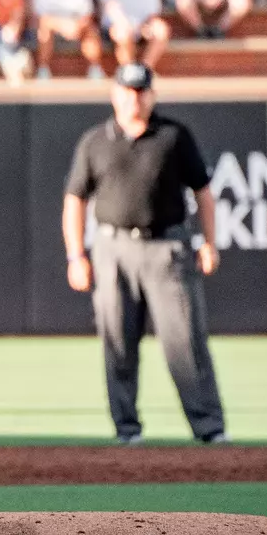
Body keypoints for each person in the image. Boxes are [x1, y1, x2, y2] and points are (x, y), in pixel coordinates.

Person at [62, 63, 228, 446]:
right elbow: (75, 200)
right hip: (112, 249)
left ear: (152, 95)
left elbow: (203, 192)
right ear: (115, 94)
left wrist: (209, 242)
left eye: (141, 91)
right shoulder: (96, 141)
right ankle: (127, 430)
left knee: (184, 342)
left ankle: (210, 429)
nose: (134, 99)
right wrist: (75, 255)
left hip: (167, 248)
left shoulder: (173, 136)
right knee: (117, 342)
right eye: (128, 91)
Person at [32, 0, 104, 81]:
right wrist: (63, 26)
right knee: (44, 32)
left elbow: (88, 16)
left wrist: (76, 27)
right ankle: (43, 68)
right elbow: (41, 18)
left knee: (91, 31)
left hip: (77, 27)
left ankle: (95, 67)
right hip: (53, 28)